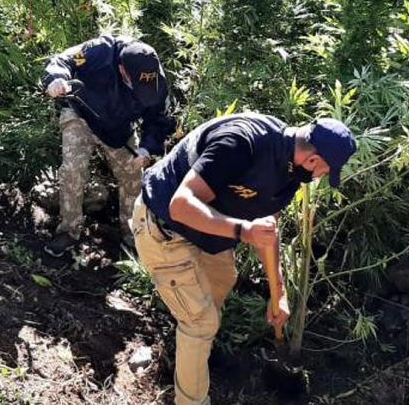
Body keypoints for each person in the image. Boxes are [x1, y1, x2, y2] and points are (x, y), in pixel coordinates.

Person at [133, 113, 356, 404]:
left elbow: (267, 230)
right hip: (164, 227)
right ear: (313, 159)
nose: (322, 177)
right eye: (326, 170)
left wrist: (279, 292)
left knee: (223, 281)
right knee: (200, 322)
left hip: (208, 234)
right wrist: (242, 229)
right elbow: (180, 205)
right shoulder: (241, 142)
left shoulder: (291, 173)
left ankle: (192, 358)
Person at [42, 35, 176, 258]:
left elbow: (158, 120)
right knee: (73, 170)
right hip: (81, 115)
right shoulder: (102, 51)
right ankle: (69, 231)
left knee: (133, 174)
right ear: (122, 69)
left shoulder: (155, 81)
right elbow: (64, 59)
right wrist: (57, 78)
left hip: (119, 128)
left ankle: (133, 235)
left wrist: (146, 149)